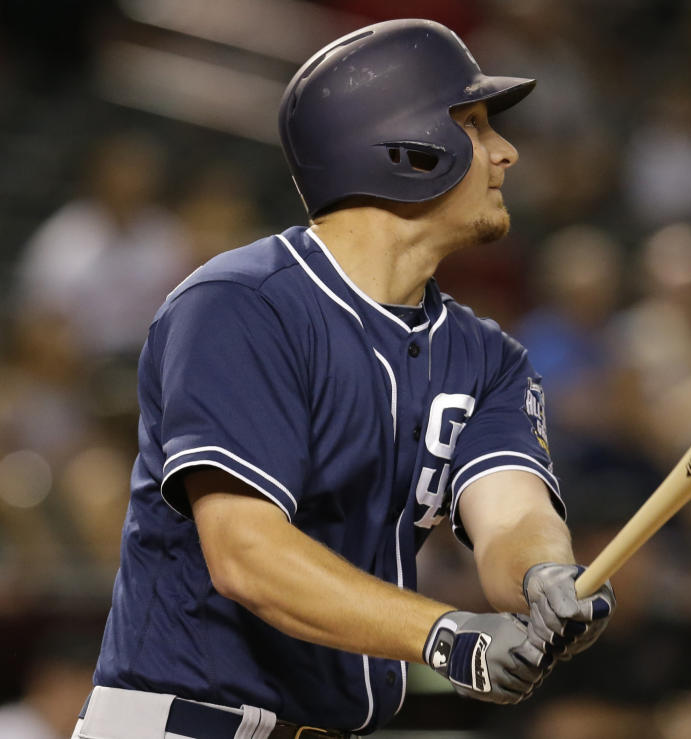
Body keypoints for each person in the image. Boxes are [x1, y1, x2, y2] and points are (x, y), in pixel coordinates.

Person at [73, 18, 614, 739]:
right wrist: (448, 635)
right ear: (405, 146)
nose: (506, 152)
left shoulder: (488, 356)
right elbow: (246, 553)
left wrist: (543, 577)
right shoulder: (242, 305)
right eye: (477, 126)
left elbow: (510, 515)